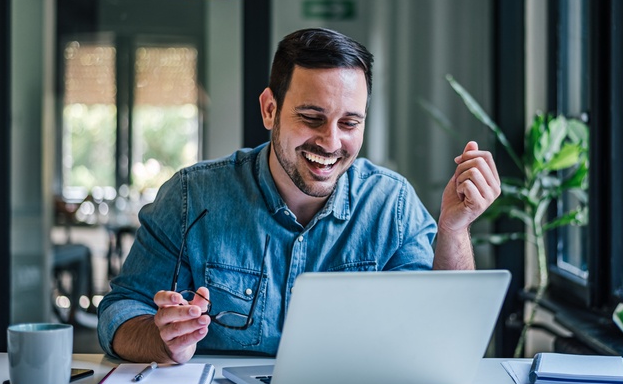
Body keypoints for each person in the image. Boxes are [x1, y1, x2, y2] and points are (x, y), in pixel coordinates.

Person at [97, 28, 501, 364]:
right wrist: (162, 340)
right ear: (270, 110)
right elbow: (120, 312)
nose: (331, 141)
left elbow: (442, 332)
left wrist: (454, 228)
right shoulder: (191, 196)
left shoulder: (391, 204)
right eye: (311, 118)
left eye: (350, 122)